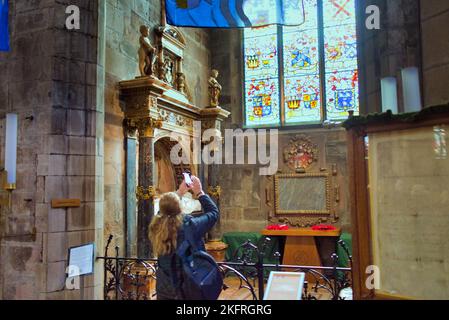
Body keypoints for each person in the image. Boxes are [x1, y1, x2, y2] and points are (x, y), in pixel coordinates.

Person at [149, 176, 219, 300]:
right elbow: (213, 213)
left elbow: (164, 209)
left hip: (165, 287)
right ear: (180, 207)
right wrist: (199, 193)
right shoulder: (189, 225)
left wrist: (179, 192)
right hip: (187, 285)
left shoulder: (156, 225)